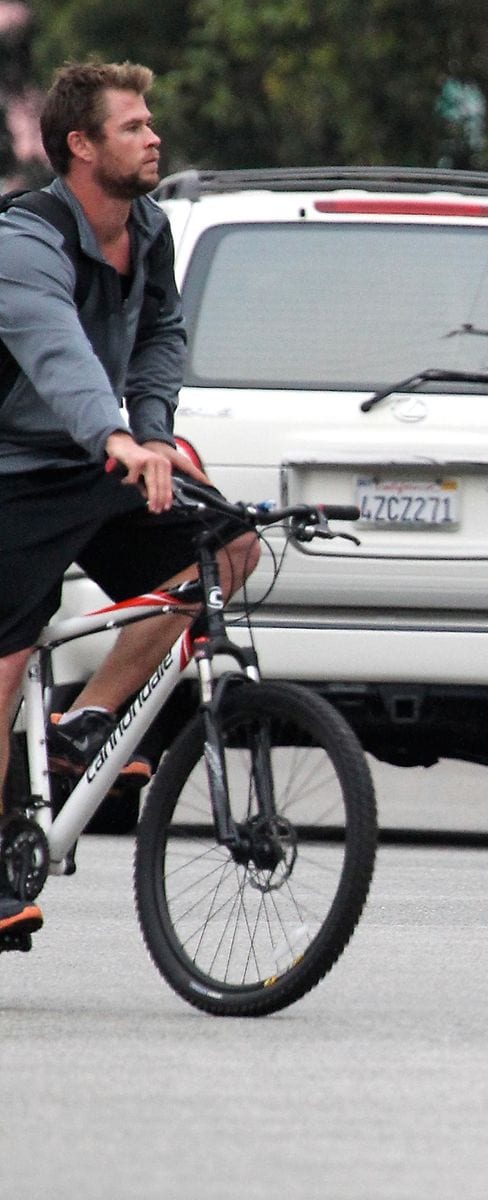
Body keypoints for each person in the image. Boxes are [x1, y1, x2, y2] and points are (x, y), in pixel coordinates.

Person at [0, 61, 259, 941]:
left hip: (92, 458)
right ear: (80, 145)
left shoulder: (148, 229)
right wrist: (111, 434)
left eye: (152, 122)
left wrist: (150, 434)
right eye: (133, 125)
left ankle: (88, 720)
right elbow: (55, 348)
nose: (154, 136)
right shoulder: (25, 239)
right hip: (10, 476)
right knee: (2, 664)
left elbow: (160, 336)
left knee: (226, 549)